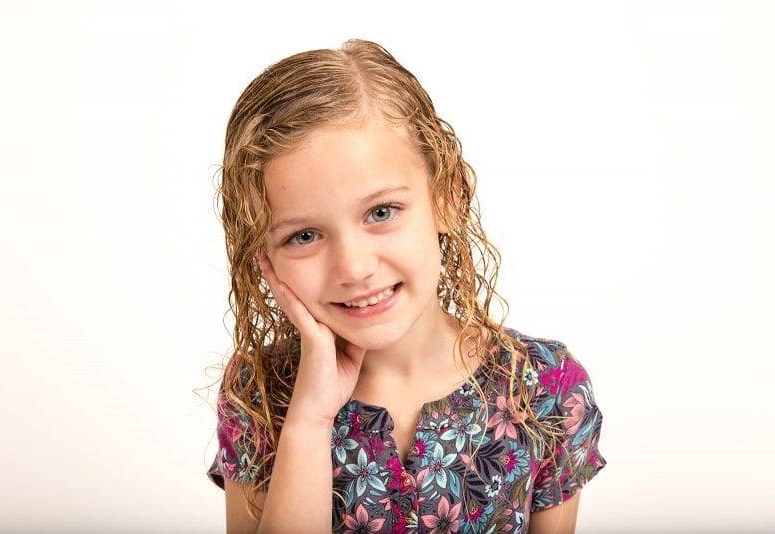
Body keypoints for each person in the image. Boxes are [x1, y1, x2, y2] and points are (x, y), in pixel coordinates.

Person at [206, 38, 607, 534]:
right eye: (304, 235)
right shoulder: (260, 395)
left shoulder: (544, 388)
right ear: (265, 258)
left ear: (448, 196)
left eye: (381, 212)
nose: (354, 267)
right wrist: (308, 423)